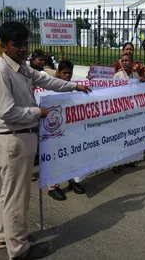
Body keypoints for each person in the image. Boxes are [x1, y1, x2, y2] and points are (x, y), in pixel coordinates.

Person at [0, 21, 90, 260]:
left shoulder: (20, 67)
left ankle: (6, 236)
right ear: (3, 46)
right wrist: (37, 113)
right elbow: (8, 112)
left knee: (9, 193)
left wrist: (74, 86)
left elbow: (46, 81)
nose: (22, 49)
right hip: (12, 139)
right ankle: (19, 249)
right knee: (16, 197)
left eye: (25, 44)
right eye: (16, 45)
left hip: (20, 137)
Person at [47, 60, 86, 201]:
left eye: (69, 73)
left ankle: (73, 180)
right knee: (56, 157)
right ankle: (53, 186)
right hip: (55, 128)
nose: (67, 76)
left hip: (70, 128)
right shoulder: (51, 86)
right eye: (64, 73)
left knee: (72, 154)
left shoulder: (74, 86)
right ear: (58, 72)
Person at [112, 54, 142, 173]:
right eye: (122, 61)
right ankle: (116, 162)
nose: (124, 63)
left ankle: (129, 160)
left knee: (130, 135)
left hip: (132, 111)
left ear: (132, 62)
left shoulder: (136, 76)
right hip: (120, 111)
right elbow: (113, 93)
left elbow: (139, 92)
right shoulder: (117, 76)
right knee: (120, 137)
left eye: (127, 61)